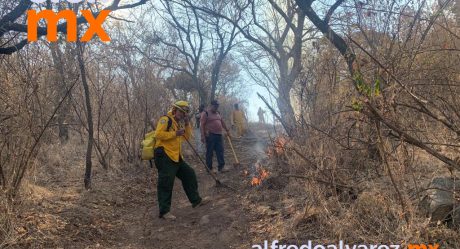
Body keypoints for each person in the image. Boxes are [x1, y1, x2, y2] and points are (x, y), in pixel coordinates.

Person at [153, 100, 208, 220]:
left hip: (176, 157)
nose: (182, 114)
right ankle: (164, 211)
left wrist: (187, 124)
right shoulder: (166, 119)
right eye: (181, 112)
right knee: (166, 183)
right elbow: (158, 134)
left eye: (184, 113)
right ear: (174, 110)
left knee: (189, 174)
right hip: (165, 156)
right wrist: (175, 134)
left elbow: (187, 137)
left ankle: (196, 201)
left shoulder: (178, 124)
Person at [200, 100, 230, 173]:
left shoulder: (218, 113)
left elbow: (222, 122)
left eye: (217, 106)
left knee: (220, 151)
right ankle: (209, 169)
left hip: (219, 135)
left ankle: (221, 167)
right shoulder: (205, 113)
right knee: (209, 152)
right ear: (211, 106)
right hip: (210, 135)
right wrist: (202, 136)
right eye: (215, 106)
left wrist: (227, 130)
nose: (216, 107)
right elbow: (201, 125)